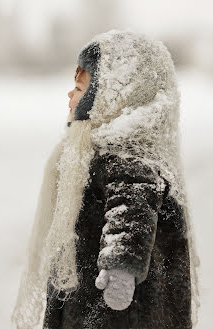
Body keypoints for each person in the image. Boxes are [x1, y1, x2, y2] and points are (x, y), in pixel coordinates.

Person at [11, 29, 200, 329]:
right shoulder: (99, 152)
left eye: (81, 88)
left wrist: (121, 266)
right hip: (92, 306)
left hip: (122, 312)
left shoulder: (129, 158)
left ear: (116, 97)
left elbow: (131, 207)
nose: (70, 95)